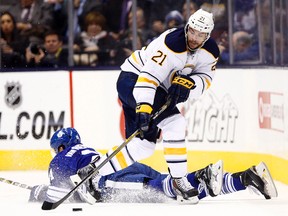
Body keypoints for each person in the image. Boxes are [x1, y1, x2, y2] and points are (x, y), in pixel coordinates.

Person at [115, 8, 219, 202]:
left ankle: (93, 174)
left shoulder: (210, 52)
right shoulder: (171, 44)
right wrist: (144, 107)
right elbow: (148, 78)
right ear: (187, 27)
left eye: (201, 34)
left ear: (208, 35)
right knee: (175, 124)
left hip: (154, 87)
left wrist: (190, 85)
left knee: (143, 146)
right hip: (133, 79)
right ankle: (179, 180)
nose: (195, 38)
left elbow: (205, 79)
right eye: (193, 31)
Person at [29, 127, 277, 207]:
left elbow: (59, 193)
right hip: (121, 162)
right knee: (180, 189)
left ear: (60, 147)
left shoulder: (60, 159)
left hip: (104, 182)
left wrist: (38, 193)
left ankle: (205, 174)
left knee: (166, 192)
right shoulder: (85, 150)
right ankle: (245, 178)